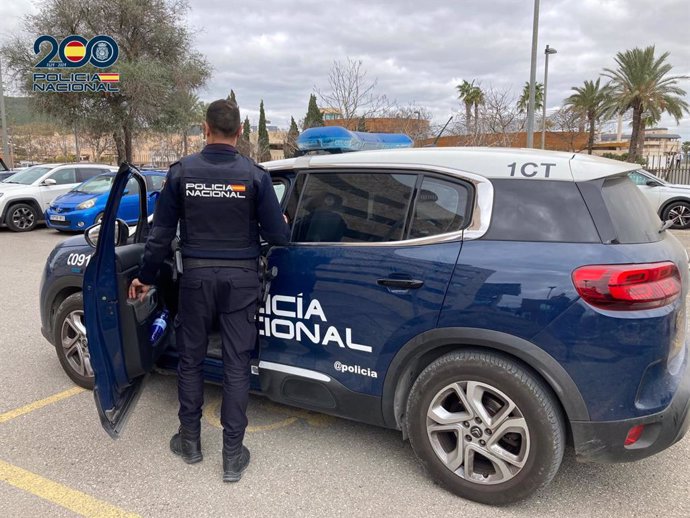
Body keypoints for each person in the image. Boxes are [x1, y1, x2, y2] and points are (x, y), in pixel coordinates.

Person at [128, 99, 290, 482]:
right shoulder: (255, 176)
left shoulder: (182, 173)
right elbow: (278, 236)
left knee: (191, 361)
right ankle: (232, 457)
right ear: (238, 132)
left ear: (205, 129)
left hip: (196, 282)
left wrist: (147, 276)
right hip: (241, 284)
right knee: (236, 366)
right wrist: (279, 220)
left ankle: (190, 443)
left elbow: (160, 236)